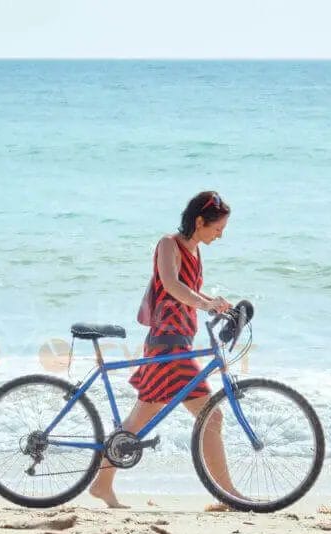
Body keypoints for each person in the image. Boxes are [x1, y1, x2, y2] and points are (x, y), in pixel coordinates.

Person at [89, 190, 239, 509]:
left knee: (137, 421)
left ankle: (101, 484)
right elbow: (171, 285)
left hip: (177, 343)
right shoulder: (168, 245)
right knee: (212, 417)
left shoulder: (196, 252)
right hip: (167, 347)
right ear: (199, 221)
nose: (220, 235)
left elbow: (189, 292)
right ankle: (227, 495)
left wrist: (216, 304)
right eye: (217, 228)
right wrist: (205, 302)